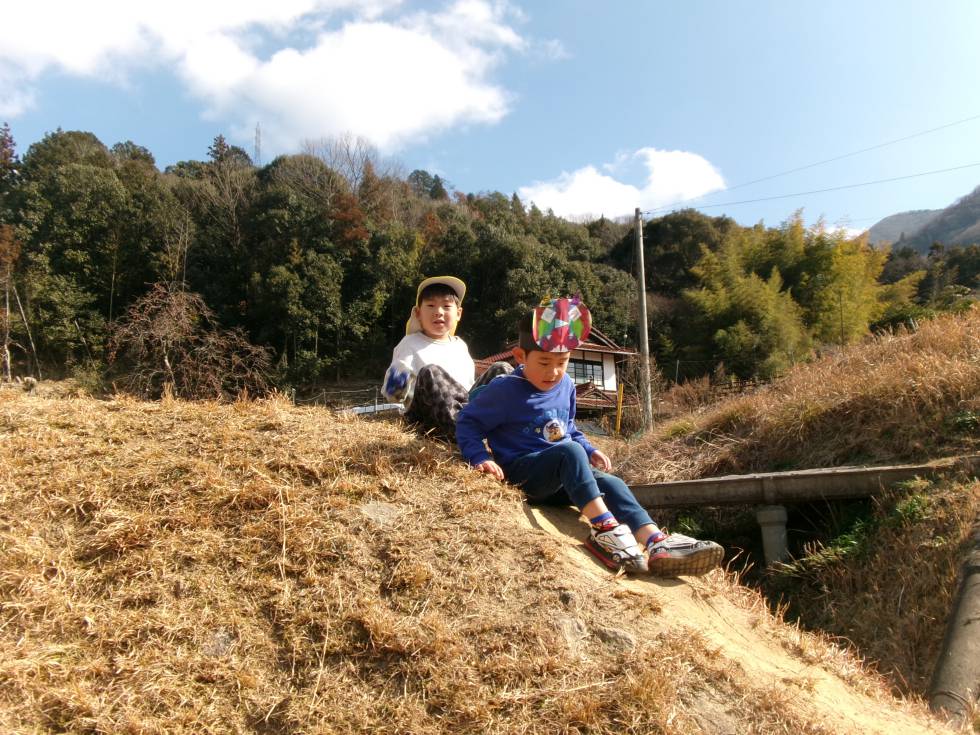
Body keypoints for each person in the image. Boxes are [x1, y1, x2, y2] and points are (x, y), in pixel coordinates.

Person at [455, 296, 724, 576]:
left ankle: (656, 541)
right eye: (544, 362)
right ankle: (605, 529)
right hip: (525, 474)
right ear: (521, 357)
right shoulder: (504, 390)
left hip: (564, 478)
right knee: (569, 452)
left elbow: (568, 428)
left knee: (611, 482)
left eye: (562, 362)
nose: (553, 372)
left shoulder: (566, 385)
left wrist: (589, 449)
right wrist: (479, 457)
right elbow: (468, 422)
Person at [382, 276, 510, 437]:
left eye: (446, 306)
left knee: (502, 369)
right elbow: (393, 394)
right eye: (431, 305)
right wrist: (397, 385)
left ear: (458, 313)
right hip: (428, 417)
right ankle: (465, 433)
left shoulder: (460, 345)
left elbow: (469, 389)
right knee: (431, 371)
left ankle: (512, 426)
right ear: (418, 313)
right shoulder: (409, 343)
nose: (439, 312)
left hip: (465, 409)